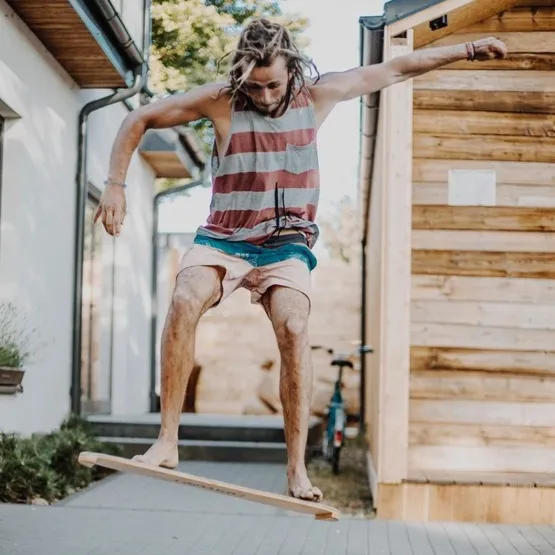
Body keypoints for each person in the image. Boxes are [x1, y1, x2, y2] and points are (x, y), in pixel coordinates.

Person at [95, 18, 506, 501]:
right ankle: (167, 441)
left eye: (273, 85)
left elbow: (397, 69)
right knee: (184, 299)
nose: (265, 96)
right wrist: (115, 184)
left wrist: (468, 48)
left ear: (291, 68)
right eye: (254, 87)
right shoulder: (221, 100)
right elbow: (138, 118)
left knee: (293, 327)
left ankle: (295, 469)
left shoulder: (318, 95)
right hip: (224, 236)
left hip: (286, 241)